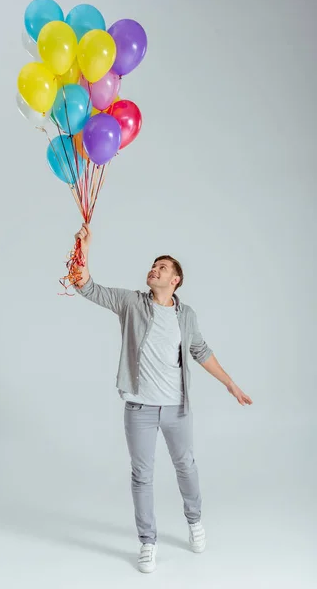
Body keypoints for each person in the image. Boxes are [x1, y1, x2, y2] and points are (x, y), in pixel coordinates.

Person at [73, 223, 253, 573]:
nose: (155, 268)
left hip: (176, 408)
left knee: (186, 465)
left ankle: (195, 521)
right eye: (154, 265)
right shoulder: (130, 303)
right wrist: (84, 247)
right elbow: (86, 286)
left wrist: (229, 384)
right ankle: (147, 542)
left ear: (175, 281)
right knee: (142, 475)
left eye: (163, 267)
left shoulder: (186, 316)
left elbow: (200, 351)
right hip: (139, 408)